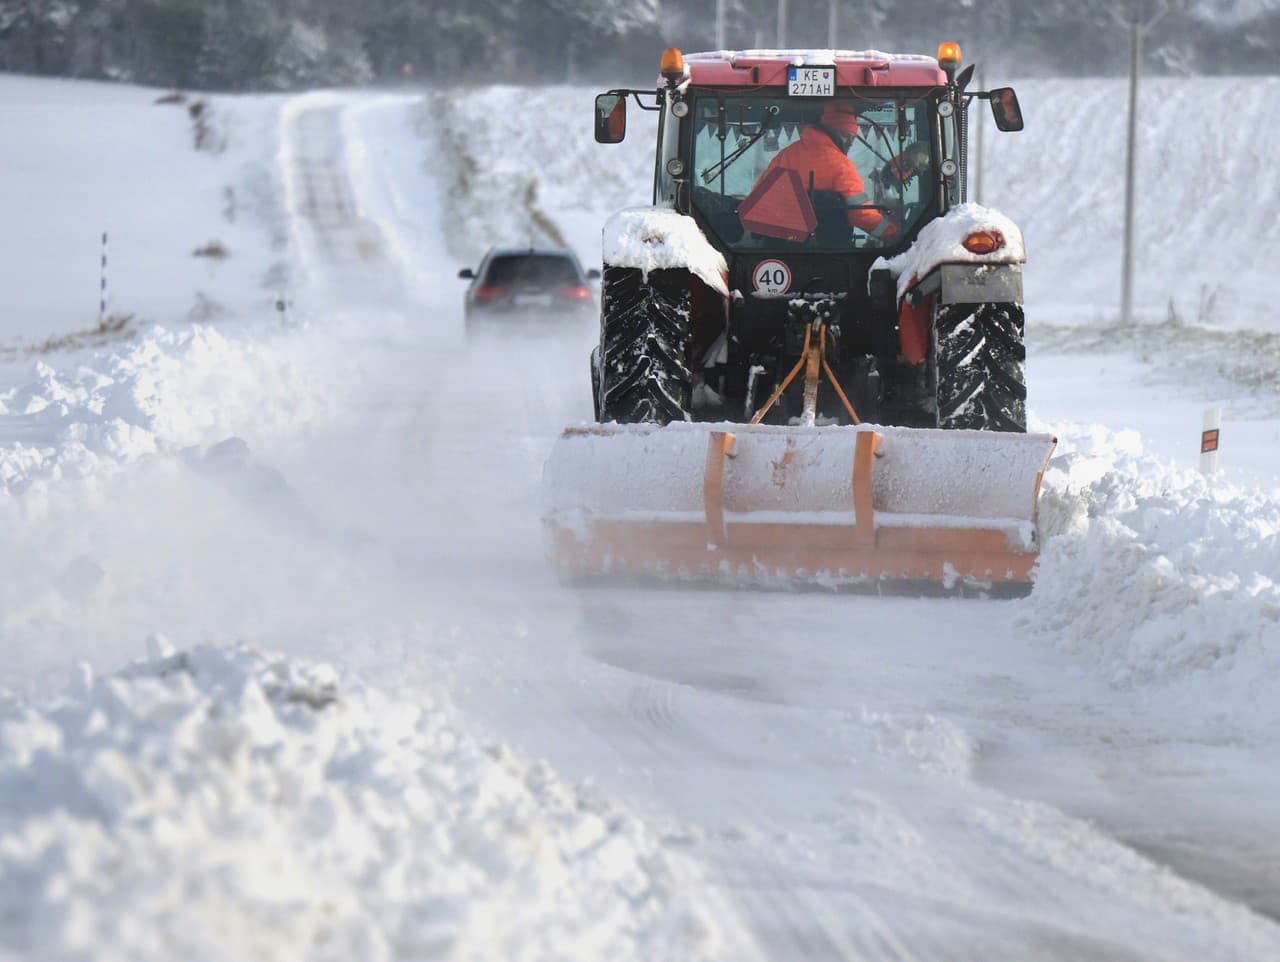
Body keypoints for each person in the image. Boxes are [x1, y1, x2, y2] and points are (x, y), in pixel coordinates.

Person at [754, 100, 900, 243]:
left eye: (853, 138)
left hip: (777, 248)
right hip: (828, 249)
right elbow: (860, 213)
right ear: (833, 132)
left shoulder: (785, 156)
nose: (850, 142)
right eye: (847, 136)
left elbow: (758, 200)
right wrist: (892, 232)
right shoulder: (841, 166)